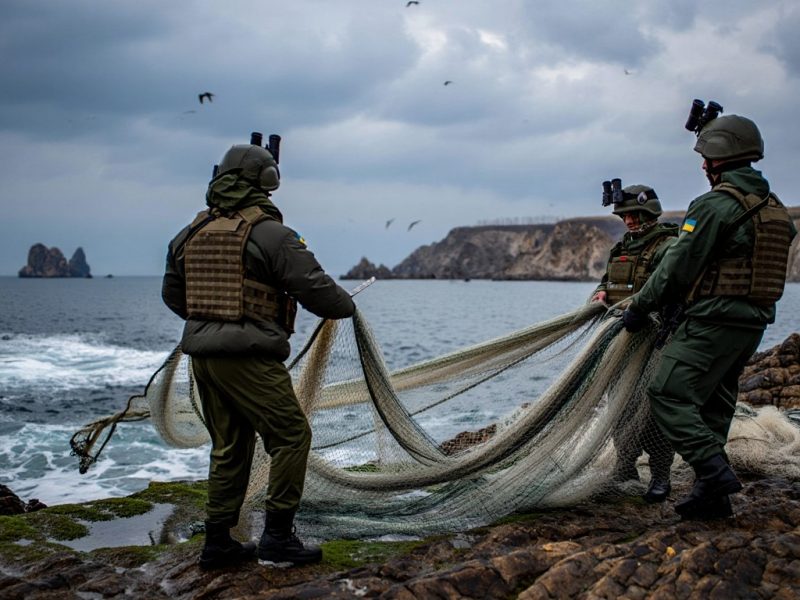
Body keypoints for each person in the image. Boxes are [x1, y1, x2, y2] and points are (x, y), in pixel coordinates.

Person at [162, 132, 355, 569]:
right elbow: (318, 291)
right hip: (248, 358)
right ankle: (277, 539)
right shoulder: (271, 234)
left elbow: (175, 297)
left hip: (203, 358)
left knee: (230, 445)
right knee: (290, 436)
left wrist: (213, 324)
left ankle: (218, 544)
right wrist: (347, 305)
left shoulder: (189, 232)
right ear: (267, 181)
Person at [622, 107, 796, 520]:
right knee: (717, 404)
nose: (703, 165)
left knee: (666, 392)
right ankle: (711, 498)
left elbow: (676, 266)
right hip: (752, 323)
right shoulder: (774, 207)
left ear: (719, 158)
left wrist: (640, 305)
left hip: (711, 320)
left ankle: (714, 473)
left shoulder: (716, 205)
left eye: (707, 157)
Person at [591, 182, 678, 503]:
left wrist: (641, 309)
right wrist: (600, 293)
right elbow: (608, 282)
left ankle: (660, 474)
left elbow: (667, 288)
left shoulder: (668, 246)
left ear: (648, 212)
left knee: (653, 407)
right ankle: (625, 467)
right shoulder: (623, 246)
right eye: (624, 216)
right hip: (621, 338)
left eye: (633, 215)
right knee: (621, 404)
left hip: (654, 339)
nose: (628, 221)